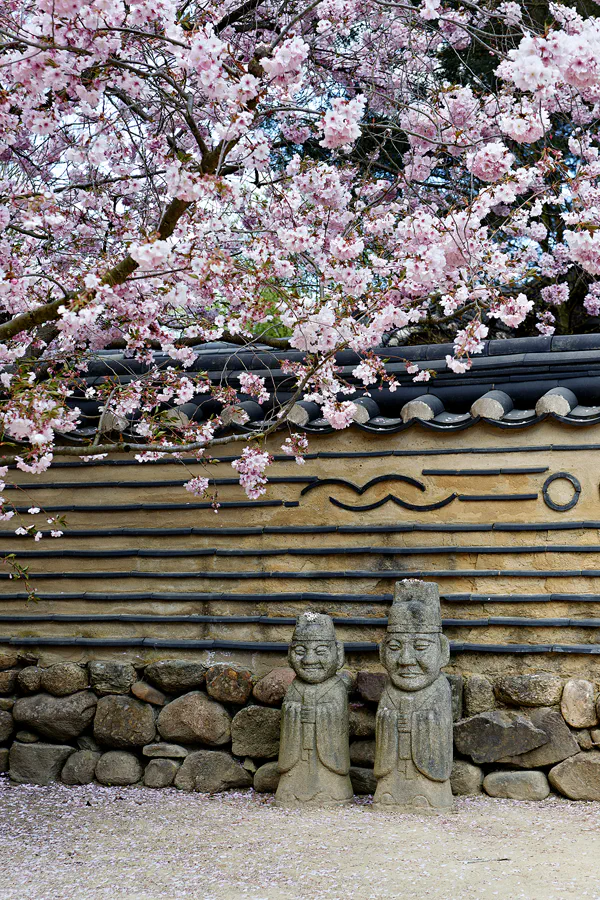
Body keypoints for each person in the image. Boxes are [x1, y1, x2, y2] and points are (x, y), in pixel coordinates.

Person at [374, 580, 453, 810]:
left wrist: (419, 721)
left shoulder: (439, 689)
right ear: (382, 651)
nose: (406, 660)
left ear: (443, 651)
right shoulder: (390, 691)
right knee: (387, 793)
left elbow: (440, 729)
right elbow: (383, 723)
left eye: (420, 647)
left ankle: (429, 793)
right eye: (395, 647)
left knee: (429, 796)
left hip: (427, 774)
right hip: (394, 769)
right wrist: (390, 721)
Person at [276, 612, 353, 806]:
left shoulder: (335, 687)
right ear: (289, 653)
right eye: (300, 651)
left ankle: (332, 790)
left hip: (327, 758)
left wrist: (320, 713)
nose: (308, 660)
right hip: (299, 753)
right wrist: (295, 712)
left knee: (331, 787)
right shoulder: (295, 686)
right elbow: (288, 710)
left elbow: (337, 716)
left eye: (320, 652)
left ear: (338, 653)